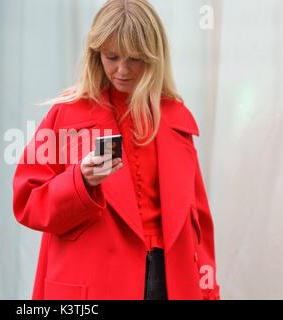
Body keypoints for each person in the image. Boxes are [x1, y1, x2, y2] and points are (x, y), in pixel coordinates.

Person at [12, 0, 220, 300]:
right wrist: (80, 182)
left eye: (134, 59)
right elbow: (26, 201)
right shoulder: (65, 114)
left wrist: (208, 290)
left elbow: (199, 220)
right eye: (111, 57)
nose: (121, 70)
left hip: (172, 281)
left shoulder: (175, 117)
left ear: (153, 57)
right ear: (96, 54)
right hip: (94, 283)